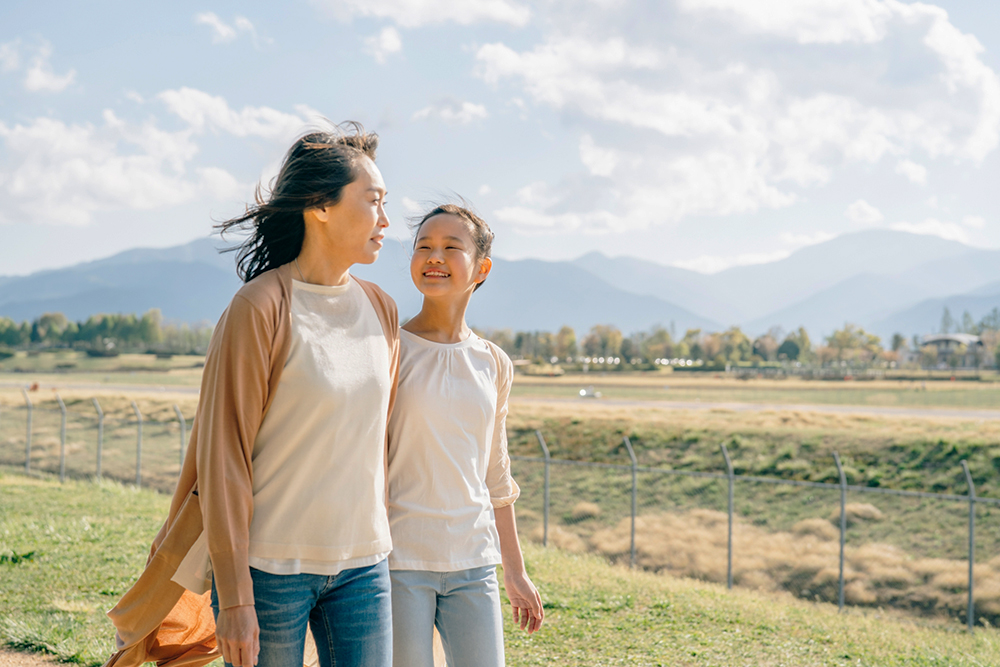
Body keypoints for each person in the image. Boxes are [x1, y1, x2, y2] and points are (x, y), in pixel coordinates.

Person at [102, 122, 399, 667]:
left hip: (365, 567)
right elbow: (225, 459)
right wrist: (235, 597)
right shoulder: (261, 306)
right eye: (374, 201)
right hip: (269, 572)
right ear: (320, 207)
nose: (385, 220)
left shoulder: (382, 308)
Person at [386, 204, 543, 667]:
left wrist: (513, 570)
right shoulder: (390, 350)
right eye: (424, 247)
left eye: (452, 248)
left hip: (474, 562)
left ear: (482, 268)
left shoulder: (493, 362)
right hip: (399, 561)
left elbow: (496, 473)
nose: (434, 256)